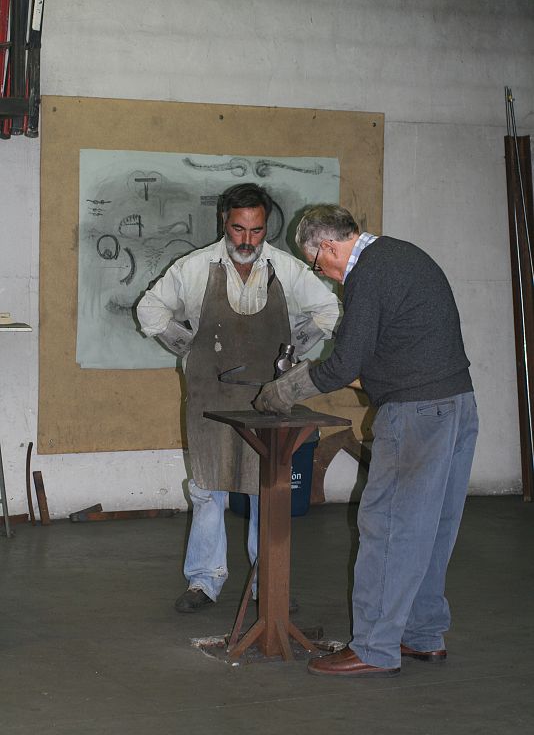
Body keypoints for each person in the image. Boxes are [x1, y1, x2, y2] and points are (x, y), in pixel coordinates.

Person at [254, 204, 478, 677]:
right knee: (432, 528)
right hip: (457, 405)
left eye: (319, 265)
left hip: (417, 414)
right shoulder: (404, 255)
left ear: (331, 246)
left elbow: (343, 364)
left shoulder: (367, 275)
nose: (327, 276)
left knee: (389, 527)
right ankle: (422, 634)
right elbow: (394, 348)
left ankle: (375, 648)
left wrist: (285, 389)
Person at [136, 184, 340, 612]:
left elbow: (329, 312)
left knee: (264, 489)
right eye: (238, 229)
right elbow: (149, 311)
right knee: (208, 488)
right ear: (223, 223)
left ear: (267, 227)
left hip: (267, 398)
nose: (247, 240)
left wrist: (295, 351)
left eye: (257, 230)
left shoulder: (287, 269)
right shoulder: (193, 268)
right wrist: (186, 346)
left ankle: (267, 584)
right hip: (210, 396)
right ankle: (203, 582)